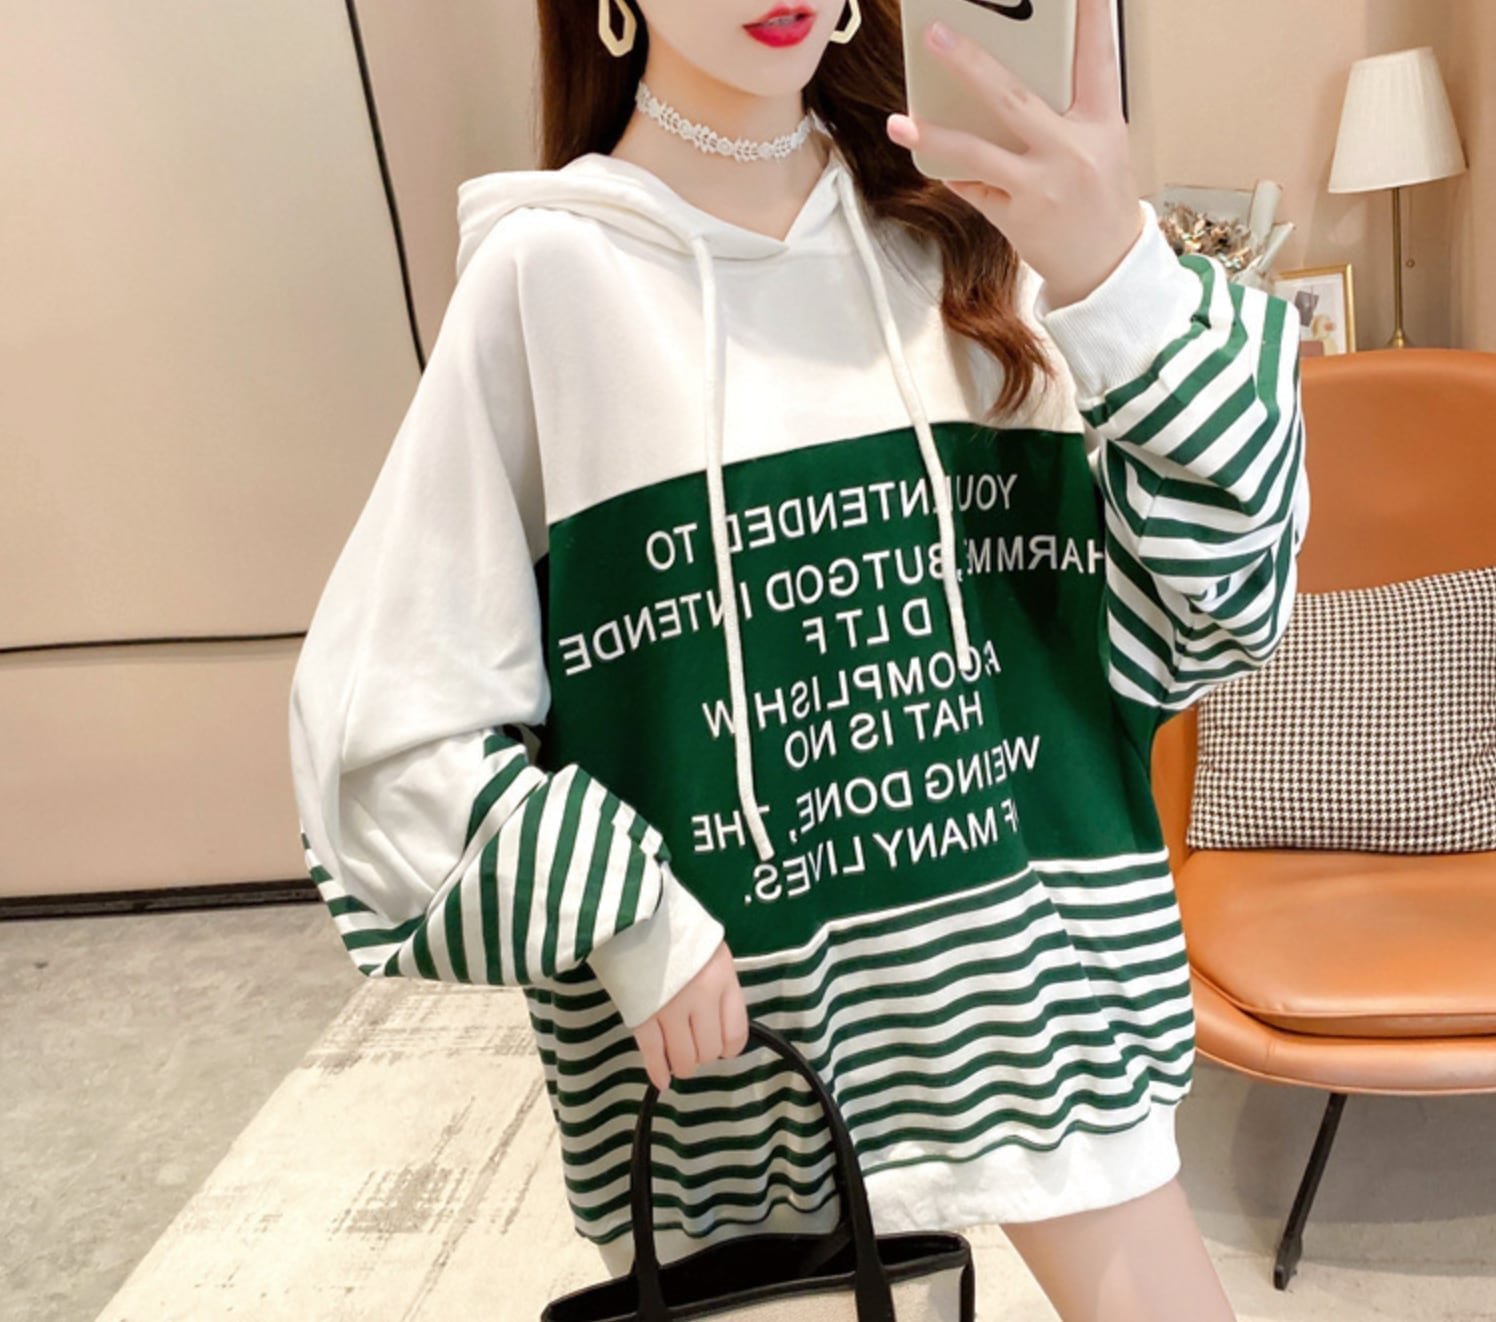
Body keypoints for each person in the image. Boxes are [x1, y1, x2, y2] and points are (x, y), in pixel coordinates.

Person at [287, 1, 1309, 1318]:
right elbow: (381, 724)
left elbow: (1230, 593)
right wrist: (630, 916)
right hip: (736, 1060)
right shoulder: (548, 277)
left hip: (1037, 990)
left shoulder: (975, 235)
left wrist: (1119, 276)